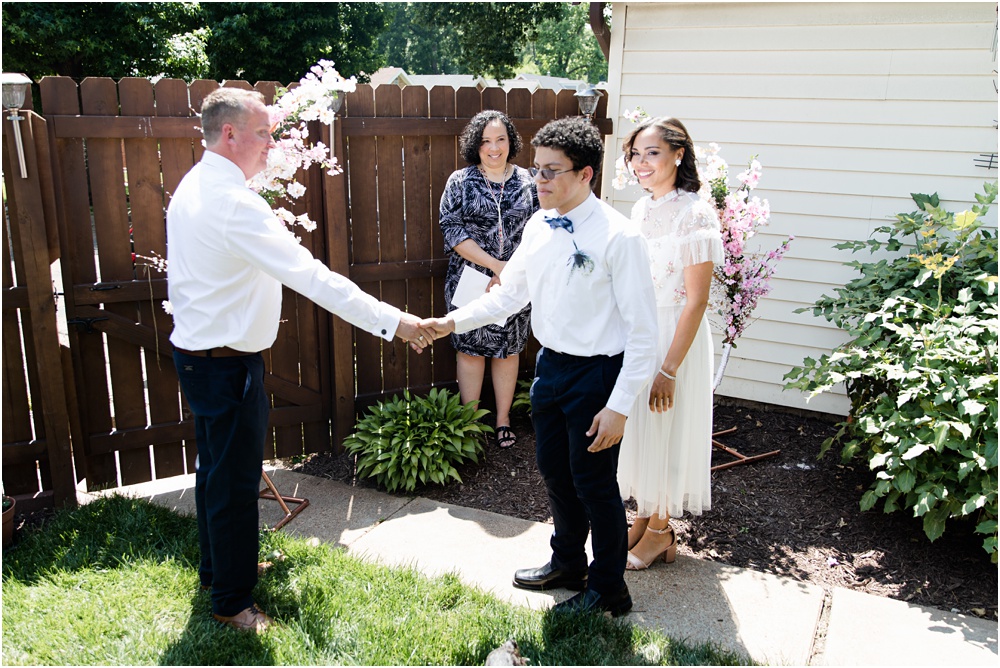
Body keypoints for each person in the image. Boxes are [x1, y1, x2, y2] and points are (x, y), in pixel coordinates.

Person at [167, 88, 430, 632]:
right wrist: (395, 322)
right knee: (234, 483)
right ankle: (232, 602)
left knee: (216, 473)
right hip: (224, 366)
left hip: (202, 358)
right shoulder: (233, 203)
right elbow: (311, 276)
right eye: (263, 133)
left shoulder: (195, 183)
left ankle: (220, 572)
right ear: (230, 134)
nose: (272, 143)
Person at [421, 117, 658, 616]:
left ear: (586, 174)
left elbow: (643, 334)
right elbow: (508, 296)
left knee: (594, 484)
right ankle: (568, 563)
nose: (539, 180)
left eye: (552, 171)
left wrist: (618, 407)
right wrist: (449, 323)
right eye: (537, 169)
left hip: (598, 375)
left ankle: (609, 589)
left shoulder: (620, 237)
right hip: (549, 368)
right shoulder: (538, 225)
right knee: (554, 471)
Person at [616, 117, 724, 570]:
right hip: (642, 332)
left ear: (678, 155)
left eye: (652, 153)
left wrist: (668, 369)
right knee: (643, 431)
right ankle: (644, 519)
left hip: (676, 336)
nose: (641, 163)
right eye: (635, 154)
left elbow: (696, 301)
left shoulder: (695, 213)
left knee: (666, 429)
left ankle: (661, 532)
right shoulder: (641, 209)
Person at [439, 110, 538, 449]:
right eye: (485, 141)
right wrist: (496, 266)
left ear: (511, 142)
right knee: (470, 350)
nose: (494, 148)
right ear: (475, 145)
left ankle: (502, 419)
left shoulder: (530, 182)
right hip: (469, 279)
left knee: (507, 351)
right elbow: (452, 229)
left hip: (516, 282)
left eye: (500, 140)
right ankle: (470, 423)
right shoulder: (460, 181)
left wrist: (511, 271)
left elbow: (541, 230)